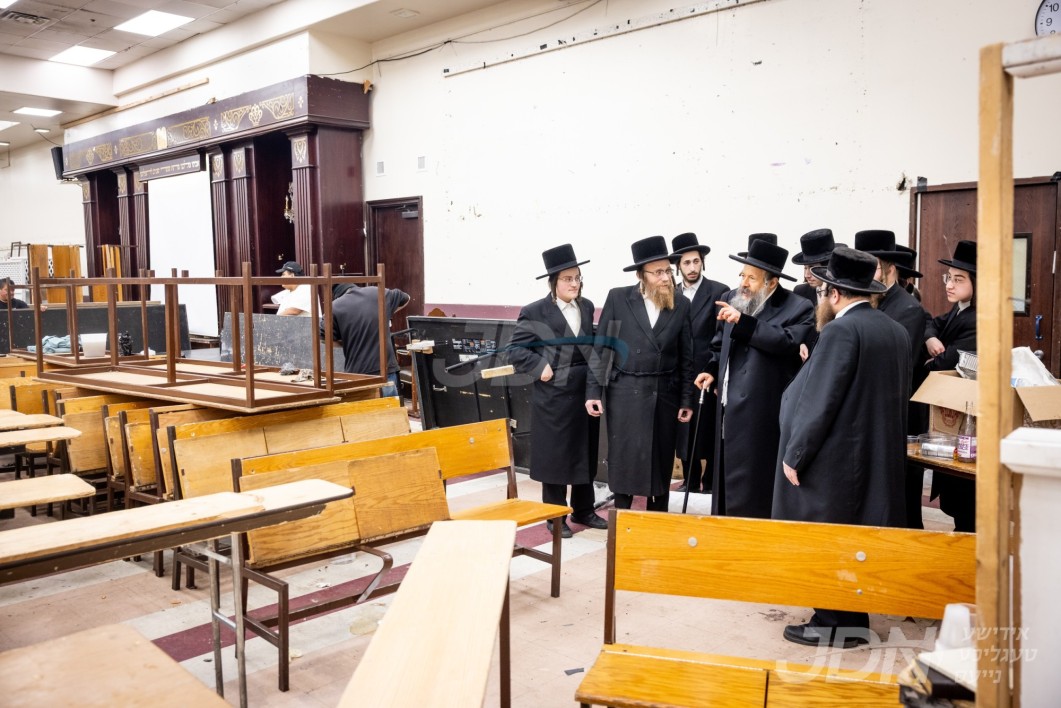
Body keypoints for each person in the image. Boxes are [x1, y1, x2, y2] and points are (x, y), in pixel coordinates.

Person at [772, 247, 910, 648]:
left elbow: (821, 400)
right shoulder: (894, 331)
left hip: (836, 461)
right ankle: (853, 617)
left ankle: (833, 623)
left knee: (829, 538)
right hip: (874, 457)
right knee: (857, 541)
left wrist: (796, 454)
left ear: (834, 293)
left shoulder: (840, 331)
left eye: (823, 291)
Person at [694, 239, 814, 519]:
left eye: (752, 278)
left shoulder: (798, 307)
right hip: (727, 407)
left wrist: (744, 323)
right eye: (742, 275)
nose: (743, 284)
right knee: (725, 479)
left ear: (772, 283)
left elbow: (787, 342)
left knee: (754, 485)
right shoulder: (732, 297)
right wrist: (711, 370)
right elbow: (718, 344)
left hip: (762, 413)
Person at [585, 236, 694, 512]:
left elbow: (687, 358)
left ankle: (657, 520)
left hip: (664, 395)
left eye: (668, 270)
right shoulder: (618, 298)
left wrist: (686, 399)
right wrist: (593, 392)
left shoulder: (681, 304)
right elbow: (602, 348)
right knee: (626, 459)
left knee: (660, 459)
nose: (665, 277)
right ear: (640, 275)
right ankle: (622, 517)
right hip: (625, 393)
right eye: (657, 272)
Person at [507, 245, 606, 538]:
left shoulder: (586, 306)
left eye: (577, 278)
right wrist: (540, 366)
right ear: (553, 282)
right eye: (567, 279)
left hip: (584, 390)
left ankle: (584, 509)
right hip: (553, 394)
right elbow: (515, 351)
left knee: (585, 450)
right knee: (556, 455)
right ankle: (555, 515)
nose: (574, 284)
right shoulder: (534, 311)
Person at [854, 230, 929, 529]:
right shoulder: (867, 300)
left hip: (897, 416)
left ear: (891, 269)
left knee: (901, 497)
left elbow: (895, 369)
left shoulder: (908, 309)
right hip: (867, 413)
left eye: (873, 268)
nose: (867, 276)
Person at [923, 240, 977, 533]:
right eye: (949, 278)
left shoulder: (979, 318)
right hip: (953, 407)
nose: (949, 285)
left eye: (959, 279)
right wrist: (931, 338)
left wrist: (933, 358)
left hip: (970, 411)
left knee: (966, 494)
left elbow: (947, 361)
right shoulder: (959, 309)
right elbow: (931, 322)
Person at [670, 233, 728, 494]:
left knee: (710, 428)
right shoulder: (670, 293)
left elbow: (721, 337)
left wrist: (715, 370)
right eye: (686, 263)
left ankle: (711, 482)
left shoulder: (718, 291)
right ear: (678, 266)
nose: (692, 267)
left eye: (696, 261)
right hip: (680, 374)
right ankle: (690, 480)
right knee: (684, 429)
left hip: (708, 372)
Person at [330, 283, 411, 397]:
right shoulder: (377, 292)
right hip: (385, 370)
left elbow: (324, 338)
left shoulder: (335, 306)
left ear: (337, 295)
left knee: (366, 407)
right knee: (390, 407)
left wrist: (347, 342)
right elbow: (406, 297)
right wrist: (387, 312)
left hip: (357, 372)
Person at [790, 229, 837, 361]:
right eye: (805, 268)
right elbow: (796, 328)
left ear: (827, 267)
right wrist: (801, 343)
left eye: (812, 268)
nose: (807, 275)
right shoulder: (800, 292)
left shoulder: (842, 294)